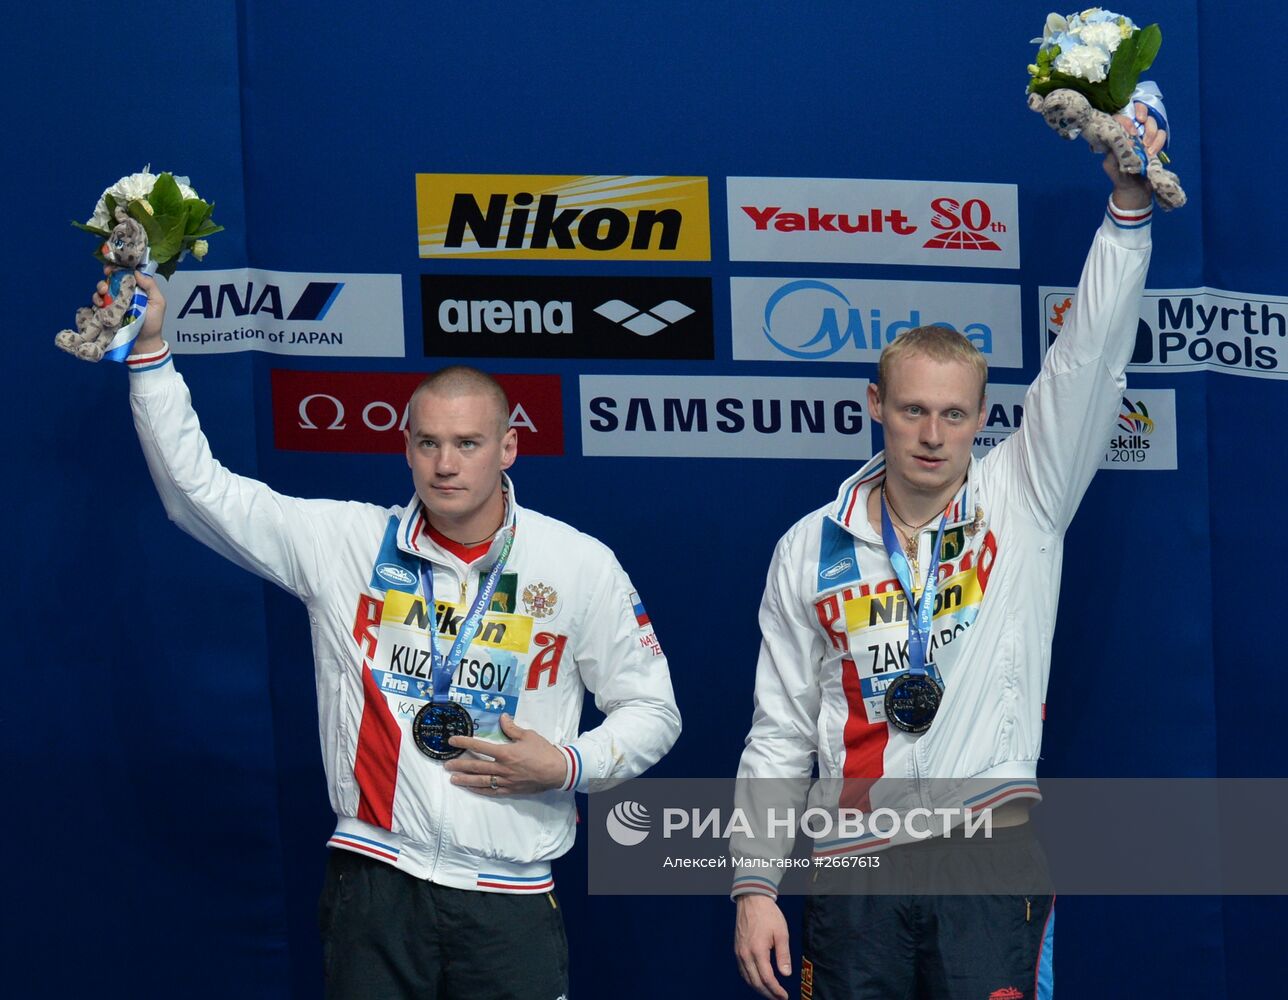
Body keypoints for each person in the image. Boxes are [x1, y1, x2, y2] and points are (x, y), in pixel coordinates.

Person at [115, 275, 681, 999]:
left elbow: (654, 711)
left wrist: (568, 764)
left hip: (508, 897)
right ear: (406, 447)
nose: (446, 464)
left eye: (468, 443)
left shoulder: (577, 564)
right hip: (375, 882)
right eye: (429, 443)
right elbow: (199, 492)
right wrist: (153, 350)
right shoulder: (347, 543)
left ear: (509, 447)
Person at [731, 153, 1154, 1000]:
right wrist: (753, 886)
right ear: (875, 406)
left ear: (981, 420)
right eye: (913, 409)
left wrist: (1128, 212)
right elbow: (779, 732)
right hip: (853, 870)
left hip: (986, 857)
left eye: (953, 414)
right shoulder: (808, 550)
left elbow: (1088, 360)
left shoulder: (1023, 498)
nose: (932, 433)